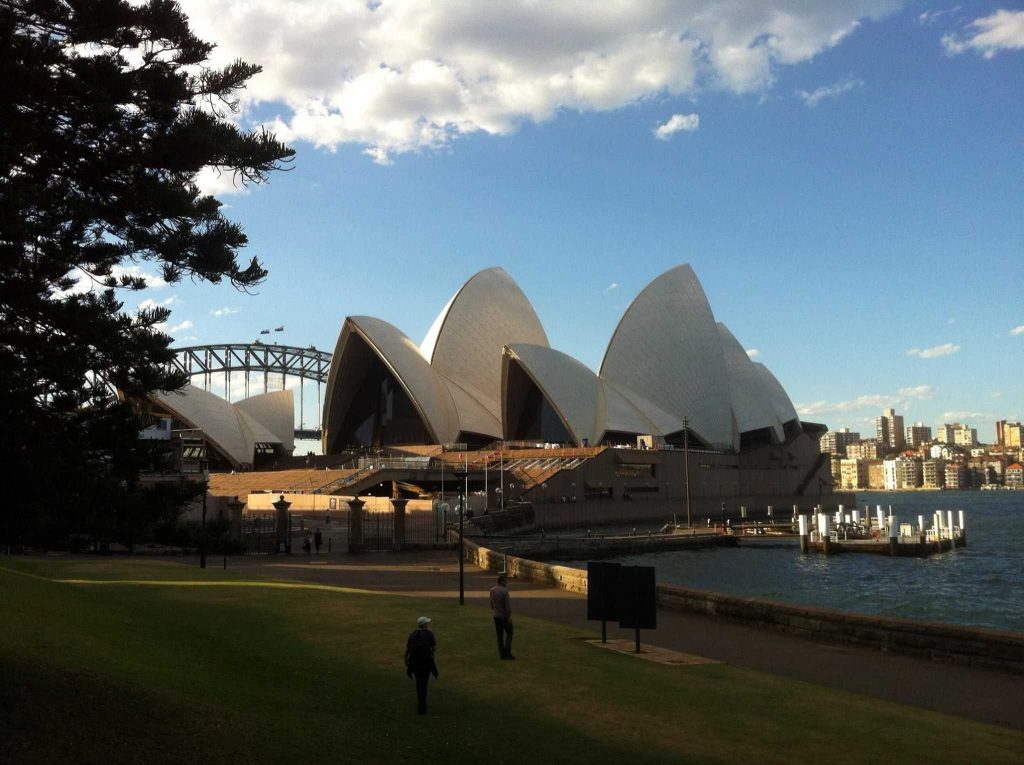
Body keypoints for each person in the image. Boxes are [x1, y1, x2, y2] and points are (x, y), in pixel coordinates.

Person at [405, 616, 438, 714]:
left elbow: (408, 648)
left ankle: (421, 703)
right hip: (426, 663)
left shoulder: (413, 634)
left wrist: (406, 659)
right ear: (425, 624)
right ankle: (422, 707)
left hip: (415, 663)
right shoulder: (429, 634)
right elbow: (434, 648)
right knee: (424, 684)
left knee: (419, 683)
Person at [489, 574, 514, 659]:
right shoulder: (505, 591)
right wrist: (509, 617)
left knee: (499, 635)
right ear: (502, 582)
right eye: (505, 581)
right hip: (504, 616)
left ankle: (501, 653)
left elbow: (492, 604)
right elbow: (507, 607)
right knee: (510, 633)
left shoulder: (492, 590)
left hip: (496, 615)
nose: (507, 582)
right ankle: (507, 652)